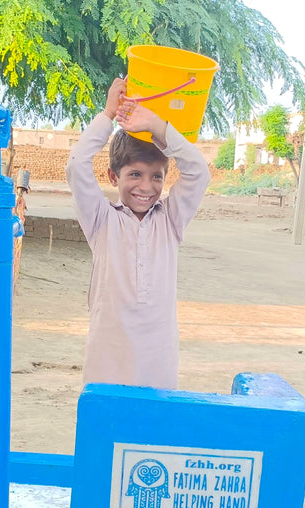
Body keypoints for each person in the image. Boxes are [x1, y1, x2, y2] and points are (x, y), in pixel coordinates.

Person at [66, 76, 211, 389]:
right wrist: (107, 115)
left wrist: (158, 126)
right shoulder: (102, 220)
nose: (146, 187)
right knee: (106, 430)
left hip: (158, 357)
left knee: (153, 433)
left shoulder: (170, 221)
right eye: (135, 174)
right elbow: (77, 164)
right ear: (112, 176)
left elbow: (198, 171)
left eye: (156, 177)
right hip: (108, 355)